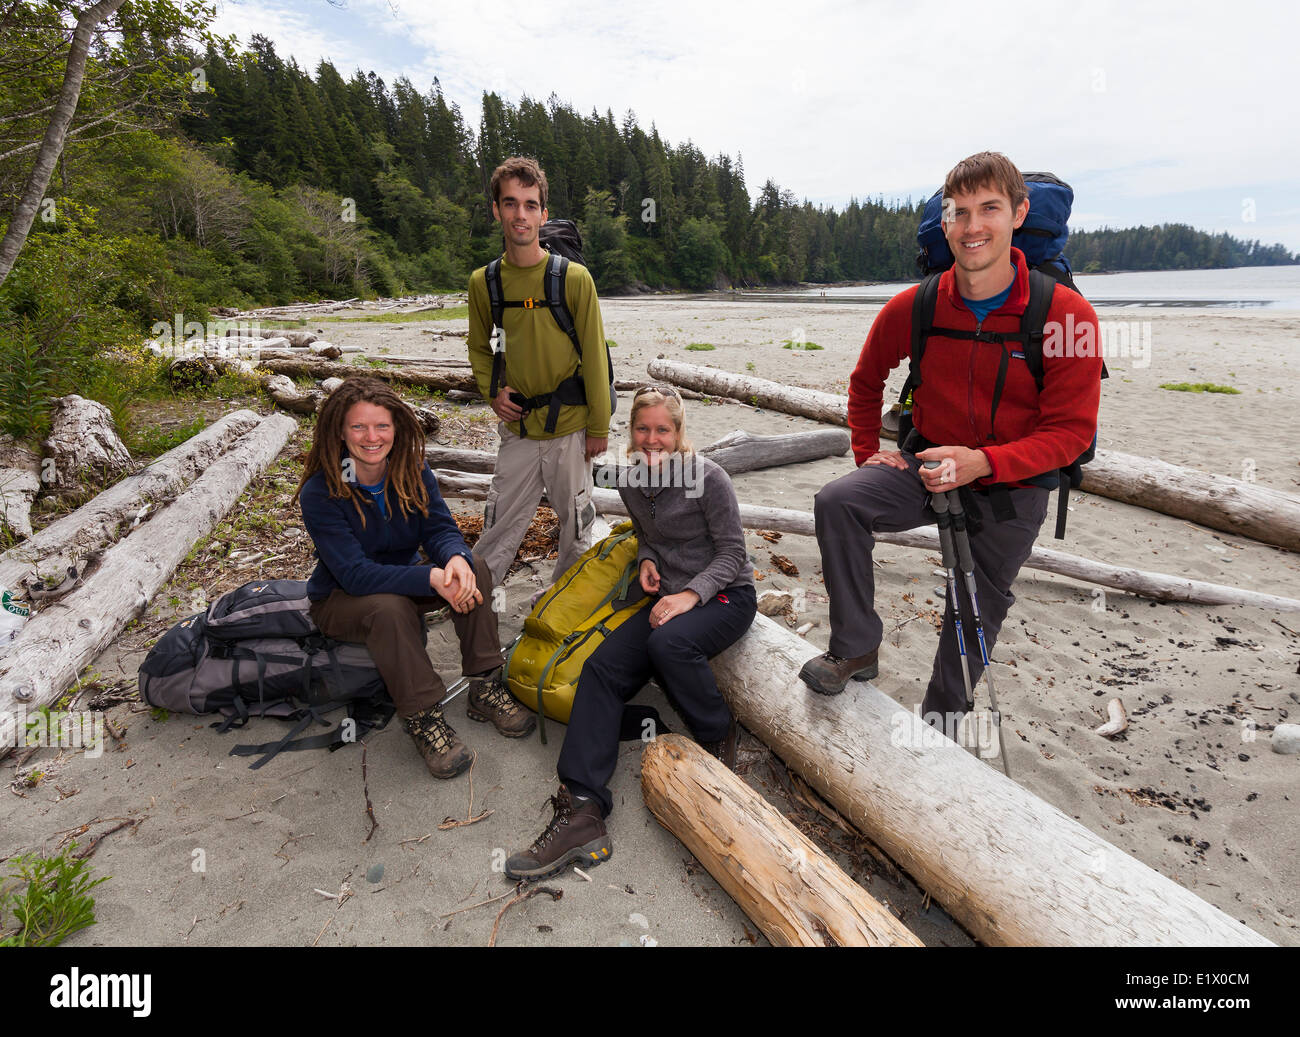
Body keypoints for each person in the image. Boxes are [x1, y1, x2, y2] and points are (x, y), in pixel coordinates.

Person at [800, 152, 1102, 738]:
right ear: (944, 224)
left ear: (1018, 214)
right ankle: (857, 649)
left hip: (1015, 482)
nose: (973, 226)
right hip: (928, 459)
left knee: (973, 605)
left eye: (989, 208)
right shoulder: (918, 303)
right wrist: (870, 454)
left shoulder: (1066, 314)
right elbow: (865, 382)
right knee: (839, 502)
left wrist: (984, 461)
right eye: (959, 212)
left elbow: (1072, 435)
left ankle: (942, 720)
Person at [503, 386, 757, 880]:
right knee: (601, 669)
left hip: (724, 595)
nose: (652, 439)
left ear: (680, 434)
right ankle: (583, 808)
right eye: (643, 428)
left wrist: (690, 596)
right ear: (631, 432)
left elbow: (733, 554)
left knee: (669, 643)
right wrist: (646, 561)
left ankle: (716, 732)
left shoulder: (709, 478)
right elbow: (648, 536)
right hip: (665, 595)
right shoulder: (632, 480)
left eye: (663, 430)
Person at [295, 377, 534, 780]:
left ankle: (484, 684)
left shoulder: (411, 467)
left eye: (382, 426)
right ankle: (423, 716)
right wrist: (430, 580)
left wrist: (454, 558)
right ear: (339, 430)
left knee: (473, 567)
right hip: (341, 599)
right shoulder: (321, 491)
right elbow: (354, 575)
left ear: (397, 428)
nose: (372, 437)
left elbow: (439, 529)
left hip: (404, 582)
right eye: (359, 427)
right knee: (389, 608)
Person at [467, 156, 611, 587]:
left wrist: (599, 427)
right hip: (520, 430)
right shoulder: (485, 282)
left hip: (572, 428)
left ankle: (561, 603)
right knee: (497, 527)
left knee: (577, 529)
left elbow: (595, 356)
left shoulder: (575, 279)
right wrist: (492, 392)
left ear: (543, 214)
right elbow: (479, 347)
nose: (520, 214)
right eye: (510, 204)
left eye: (530, 205)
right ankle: (475, 601)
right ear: (496, 210)